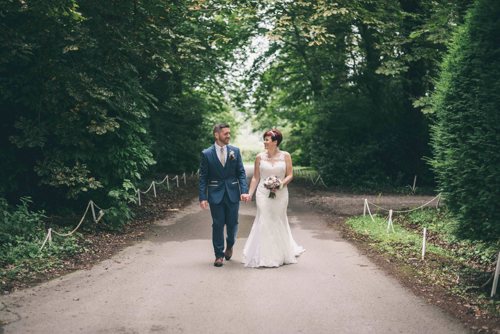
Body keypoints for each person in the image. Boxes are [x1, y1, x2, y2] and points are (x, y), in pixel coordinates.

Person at [242, 129, 304, 268]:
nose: (265, 142)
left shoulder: (286, 156)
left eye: (267, 140)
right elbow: (256, 177)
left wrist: (280, 184)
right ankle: (265, 255)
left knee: (277, 219)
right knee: (264, 218)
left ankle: (280, 252)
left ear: (275, 142)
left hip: (281, 193)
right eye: (264, 139)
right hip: (262, 193)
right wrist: (249, 193)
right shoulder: (259, 157)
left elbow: (290, 175)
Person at [199, 123, 249, 267]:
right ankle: (219, 255)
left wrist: (244, 191)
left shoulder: (235, 151)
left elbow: (241, 172)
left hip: (233, 193)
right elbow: (203, 177)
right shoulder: (206, 153)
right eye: (225, 133)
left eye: (229, 133)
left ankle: (230, 245)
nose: (228, 135)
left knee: (233, 224)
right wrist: (203, 197)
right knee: (218, 224)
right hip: (215, 194)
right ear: (217, 135)